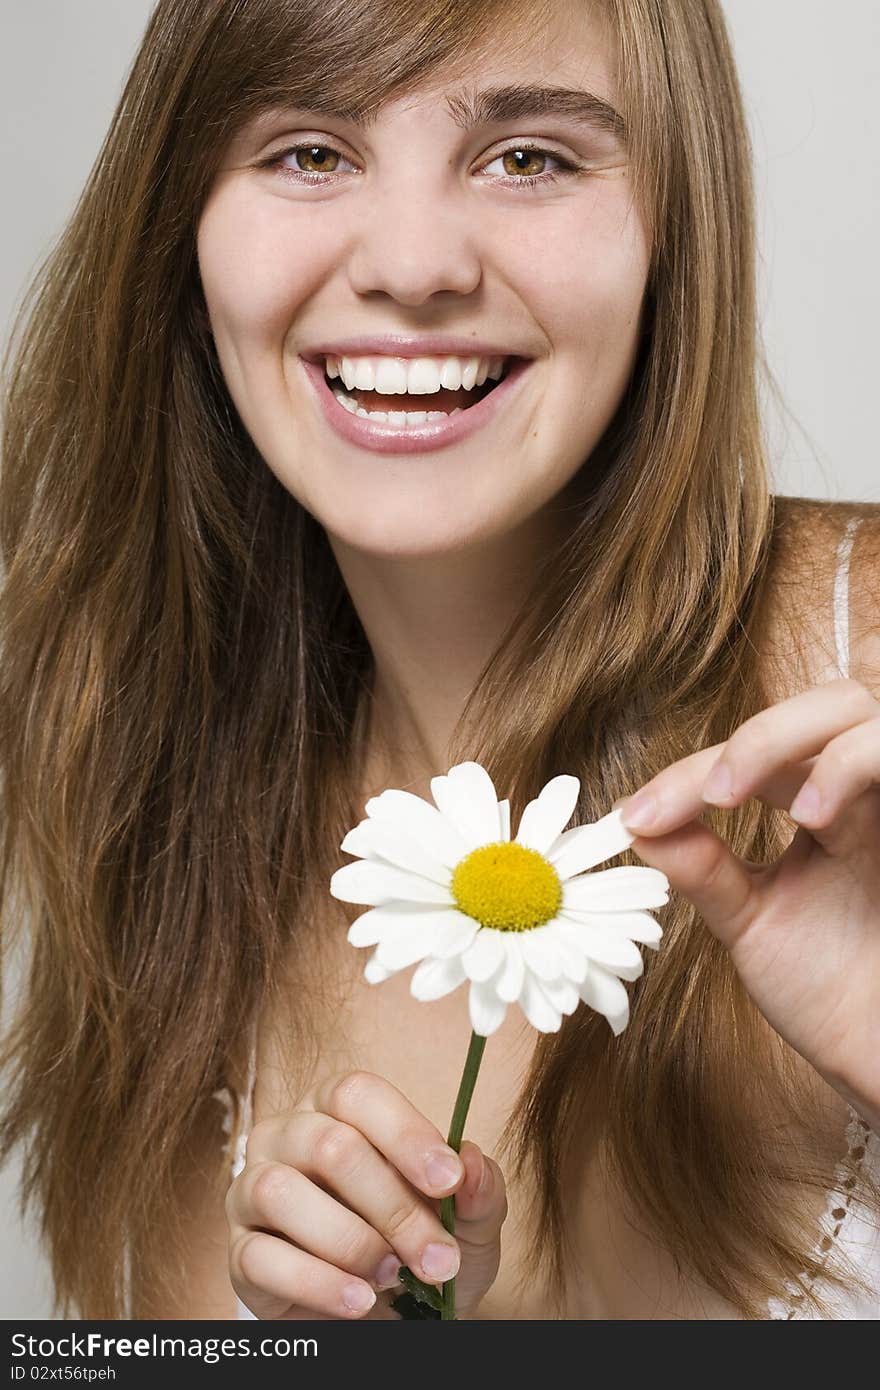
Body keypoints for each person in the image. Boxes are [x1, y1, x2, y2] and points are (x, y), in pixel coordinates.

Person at [1, 0, 878, 1322]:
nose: (413, 264)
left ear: (672, 225)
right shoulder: (138, 796)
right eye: (307, 150)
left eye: (529, 156)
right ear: (181, 228)